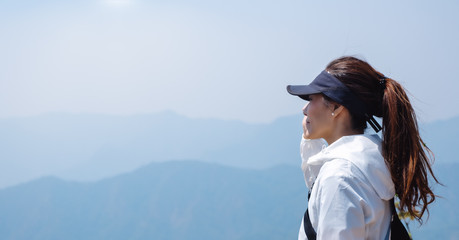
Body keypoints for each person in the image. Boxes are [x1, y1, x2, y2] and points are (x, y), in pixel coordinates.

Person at [286, 56, 438, 240]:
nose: (304, 109)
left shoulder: (339, 178)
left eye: (311, 98)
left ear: (336, 107)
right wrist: (310, 141)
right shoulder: (369, 161)